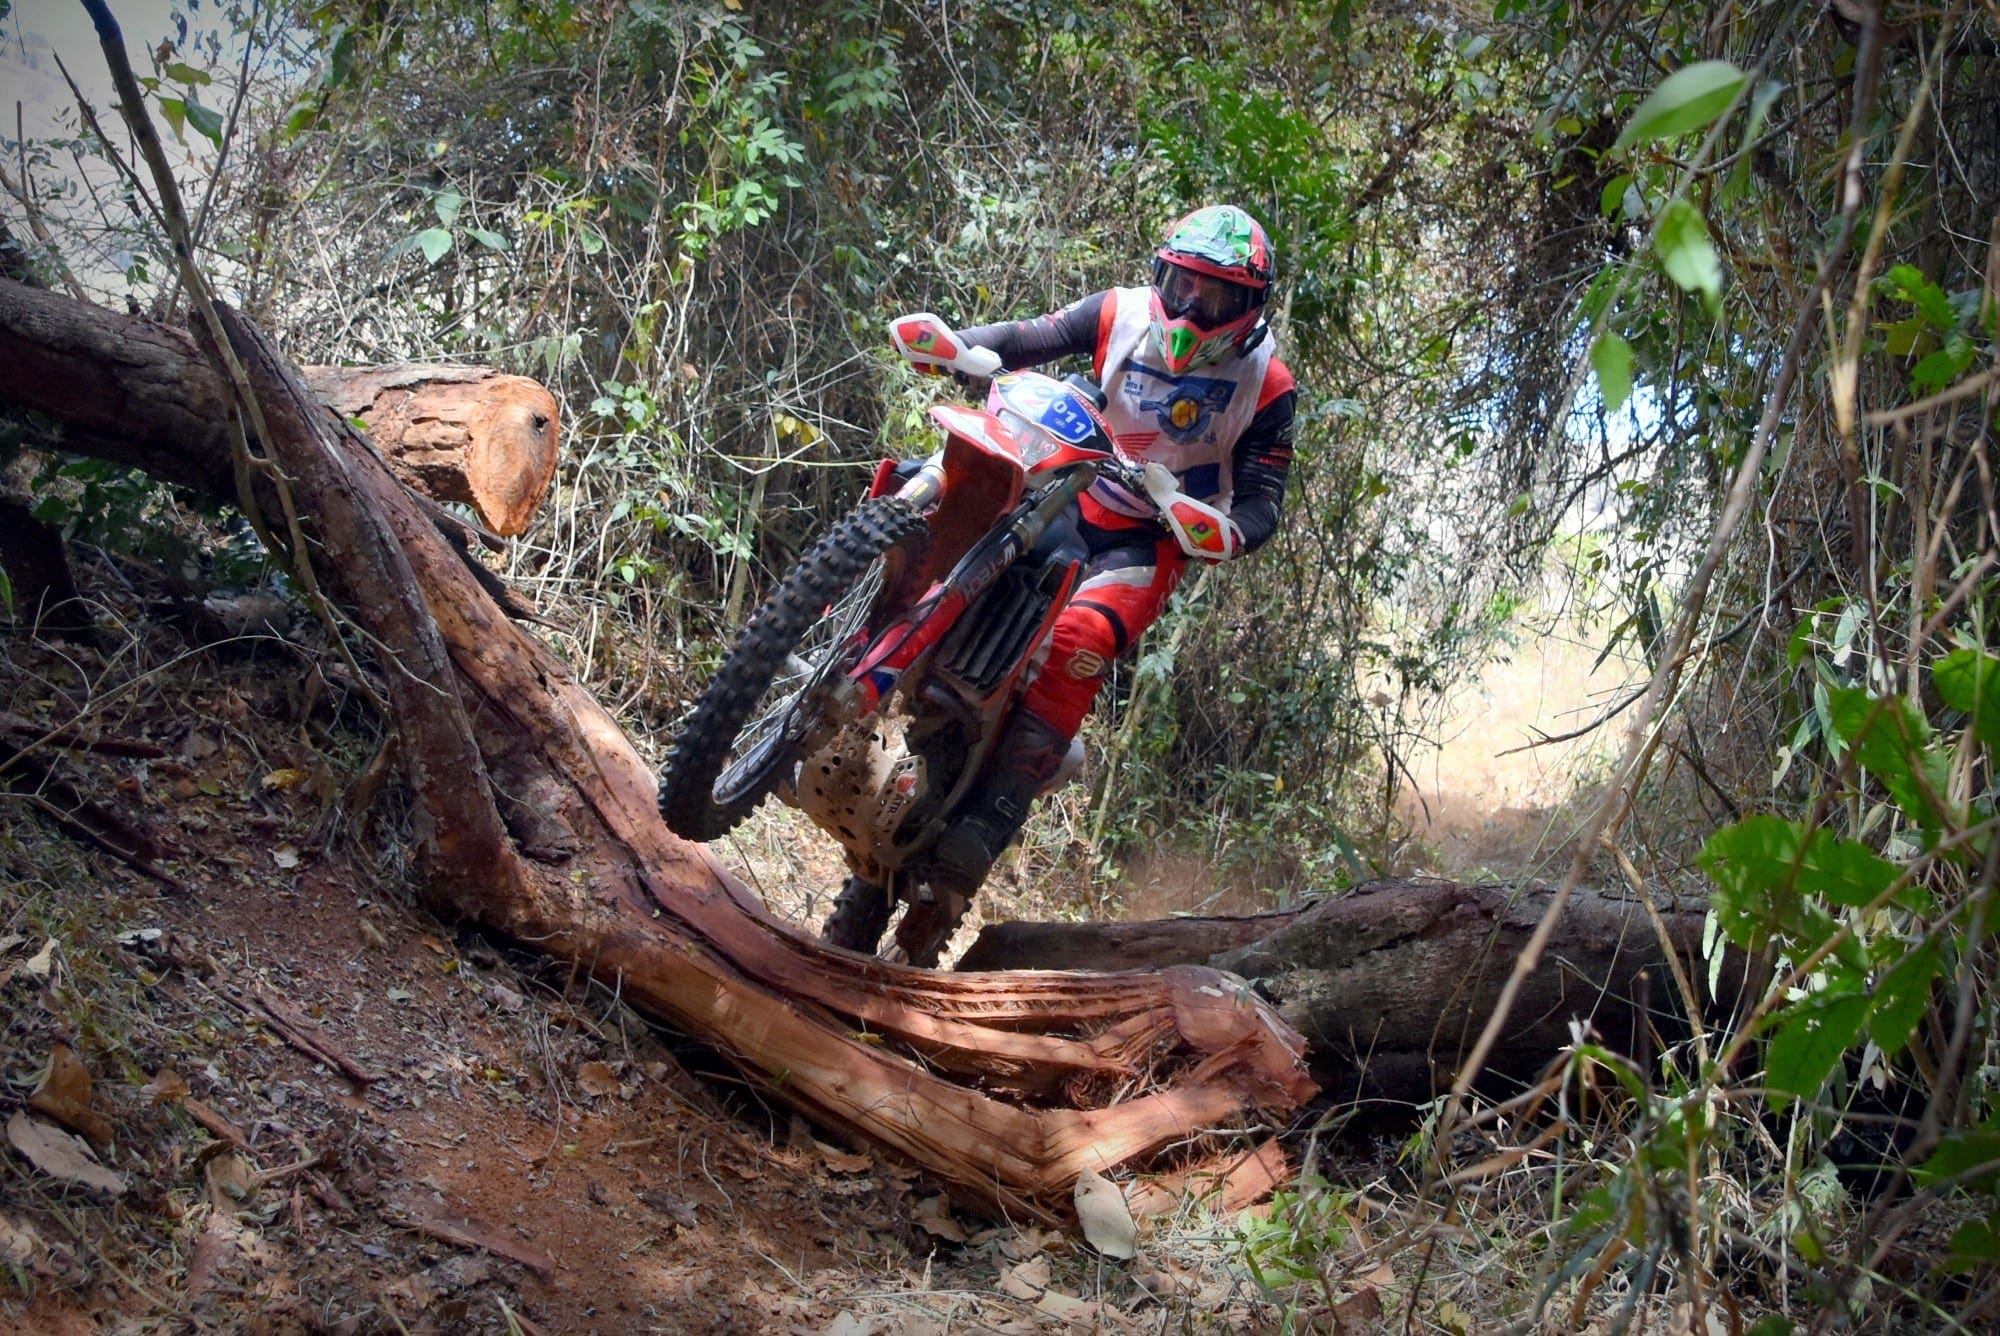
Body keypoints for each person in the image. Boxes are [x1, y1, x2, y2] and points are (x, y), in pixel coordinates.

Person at [924, 203, 1299, 895]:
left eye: (1217, 297)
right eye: (1184, 285)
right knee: (949, 525)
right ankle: (843, 645)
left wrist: (1232, 530)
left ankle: (986, 823)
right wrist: (957, 345)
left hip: (1146, 540)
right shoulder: (1118, 311)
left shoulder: (1267, 385)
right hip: (1063, 491)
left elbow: (1262, 496)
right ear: (1163, 275)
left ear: (1250, 307)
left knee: (1081, 640)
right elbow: (1026, 338)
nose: (1193, 307)